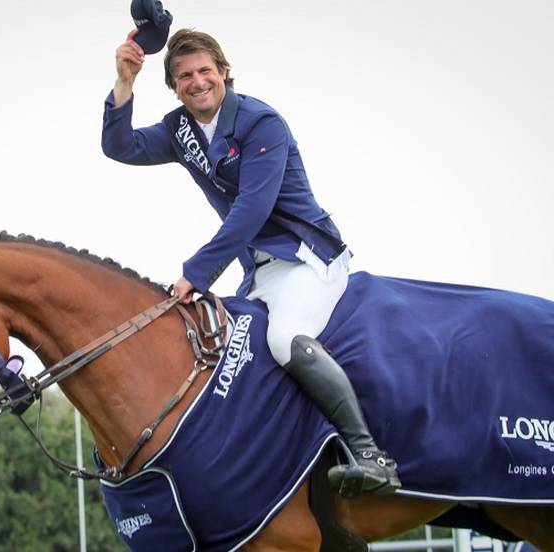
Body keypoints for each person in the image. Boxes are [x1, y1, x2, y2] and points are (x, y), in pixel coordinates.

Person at [101, 27, 400, 498]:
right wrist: (124, 82)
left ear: (223, 73)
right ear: (174, 85)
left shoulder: (262, 123)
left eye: (205, 71)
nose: (197, 82)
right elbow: (121, 147)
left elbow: (252, 211)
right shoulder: (181, 130)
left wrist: (195, 273)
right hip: (259, 273)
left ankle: (370, 455)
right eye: (185, 76)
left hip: (306, 260)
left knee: (283, 339)